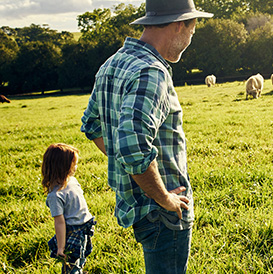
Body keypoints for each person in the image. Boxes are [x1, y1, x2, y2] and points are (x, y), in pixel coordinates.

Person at [80, 0, 212, 272]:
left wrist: (134, 172)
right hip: (163, 213)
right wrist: (164, 196)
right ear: (178, 25)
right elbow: (133, 147)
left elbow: (93, 126)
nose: (190, 39)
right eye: (192, 31)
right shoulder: (152, 72)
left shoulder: (113, 63)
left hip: (138, 206)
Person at [42, 143, 96, 274]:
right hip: (74, 230)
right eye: (74, 163)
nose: (76, 166)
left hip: (83, 227)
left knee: (79, 258)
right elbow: (59, 222)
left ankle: (79, 270)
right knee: (72, 262)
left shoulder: (71, 181)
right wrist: (61, 247)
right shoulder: (56, 195)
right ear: (63, 166)